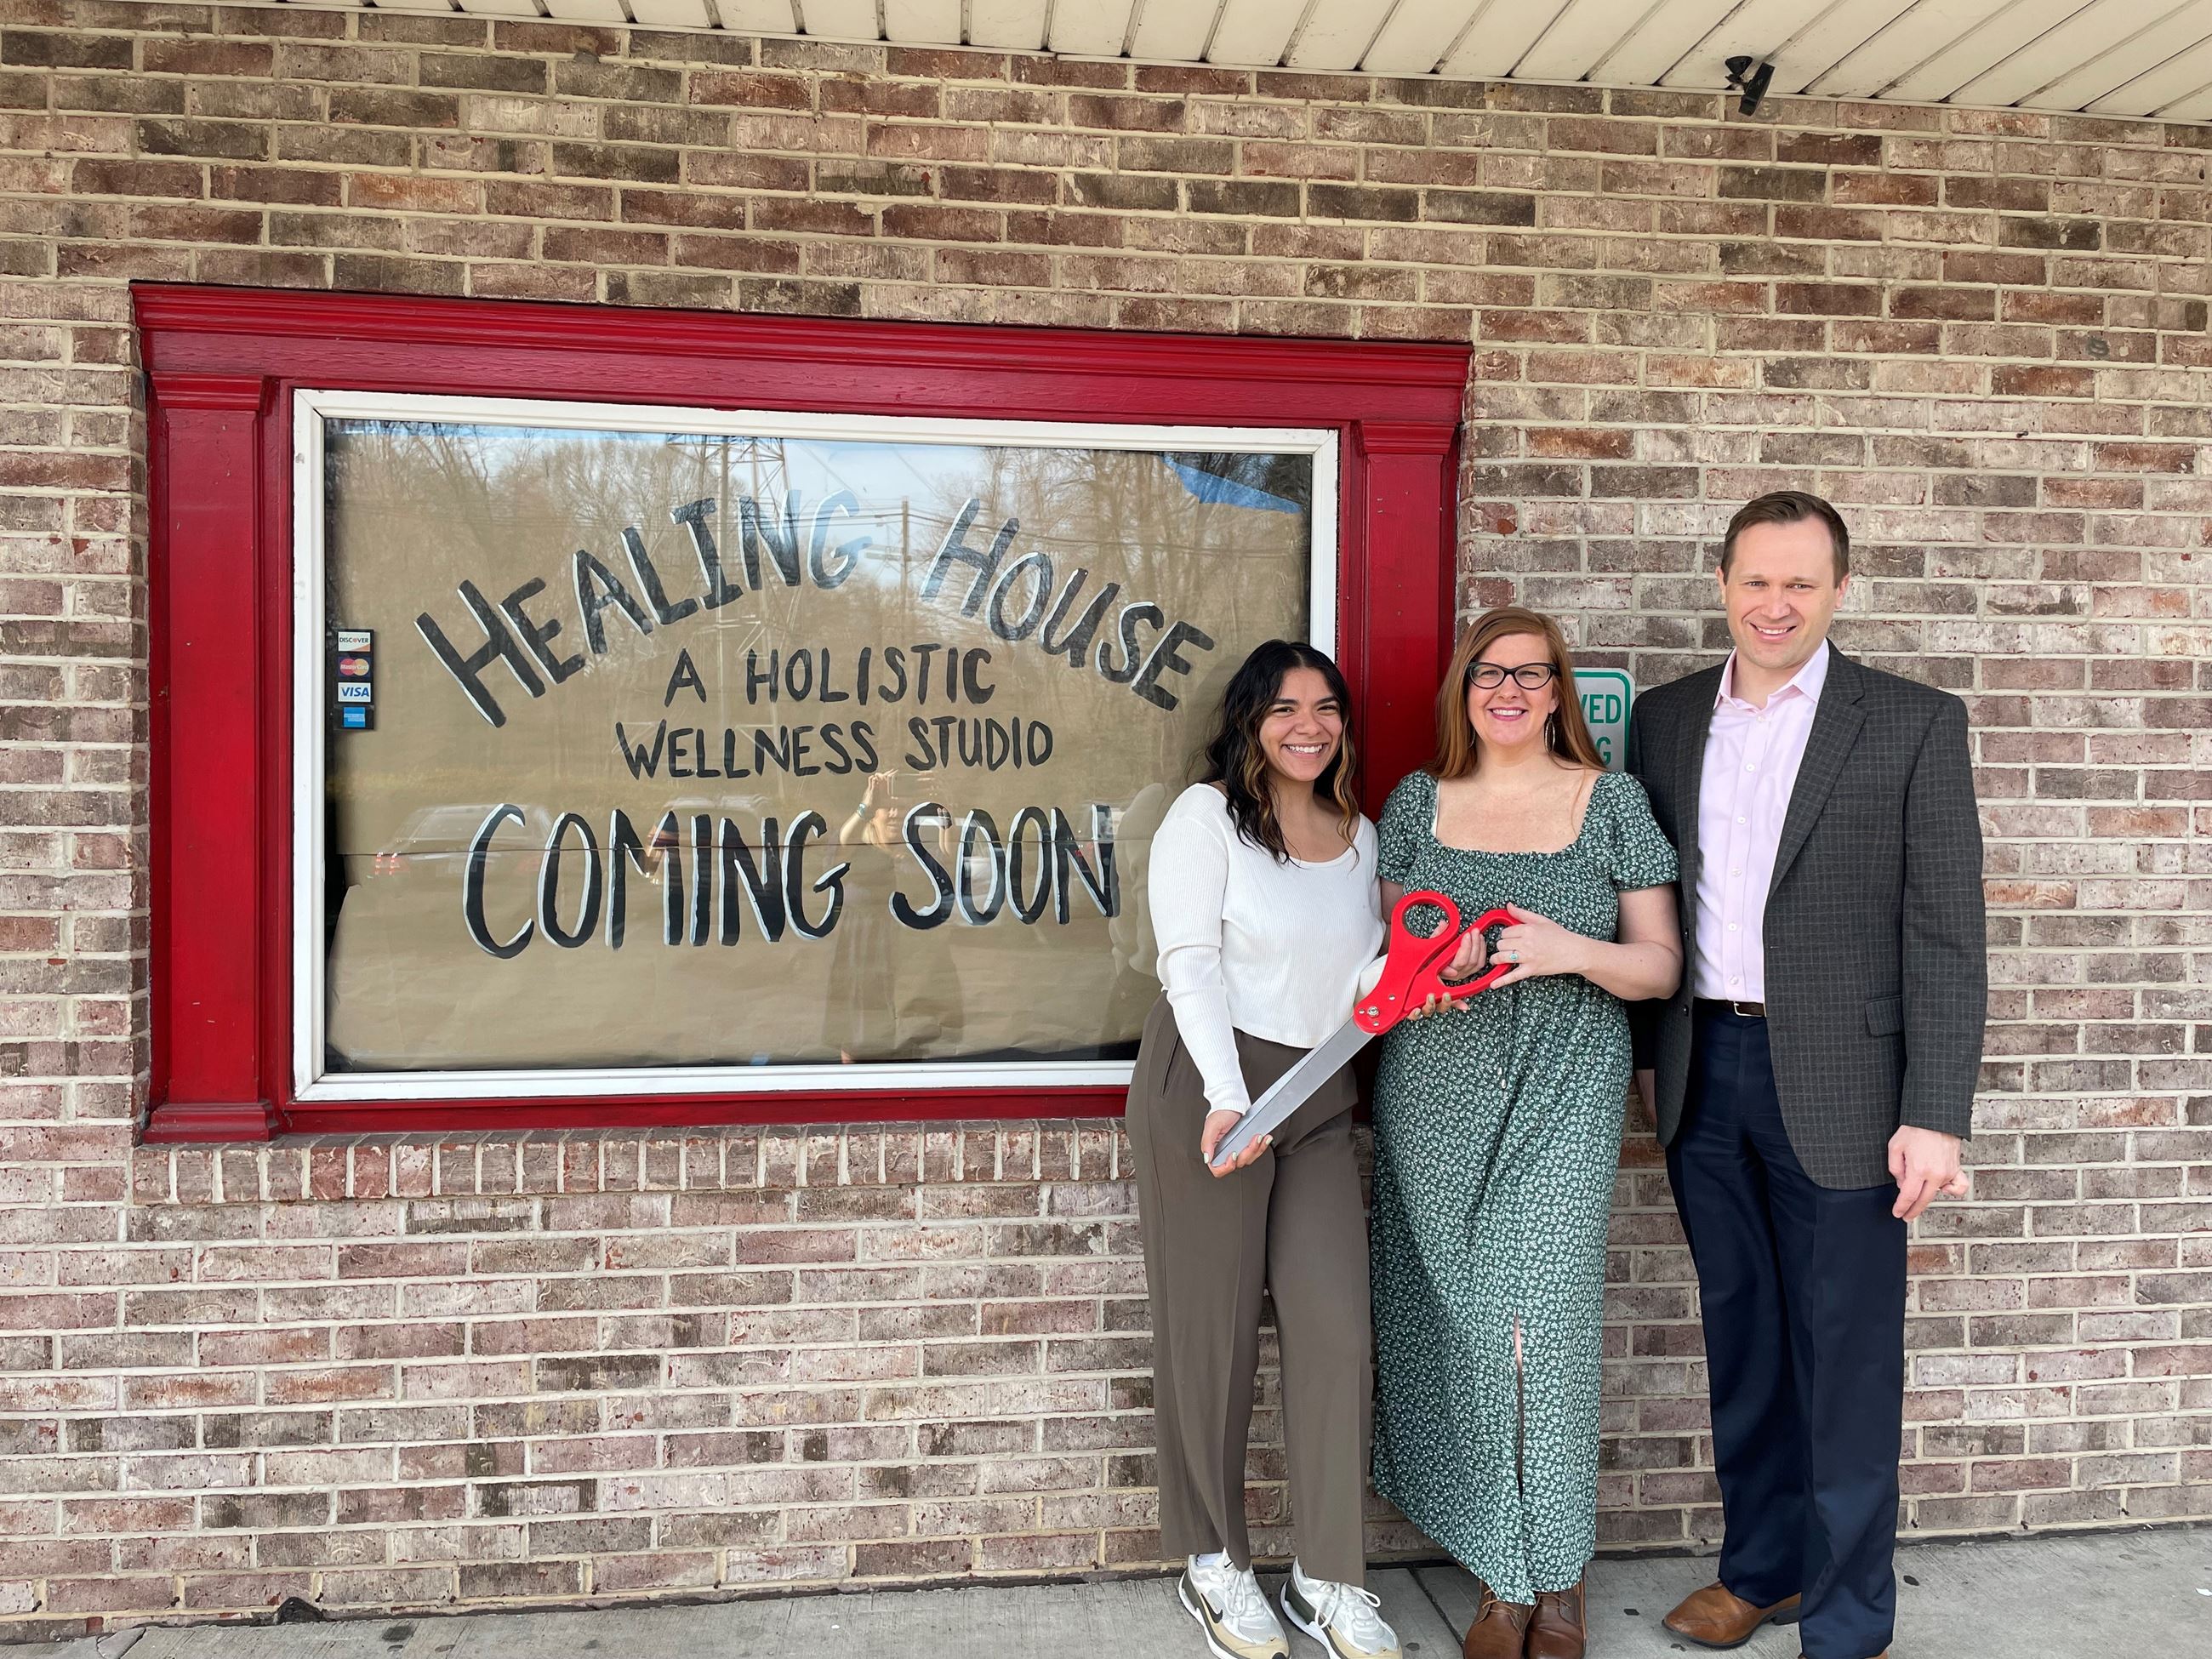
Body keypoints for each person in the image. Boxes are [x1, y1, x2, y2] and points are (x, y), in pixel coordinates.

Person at [1626, 491, 1985, 1659]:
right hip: (1703, 1070)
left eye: (1799, 582)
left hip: (1847, 1090)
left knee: (1845, 1361)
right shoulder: (1668, 720)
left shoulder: (1911, 722)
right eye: (1755, 580)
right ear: (1721, 584)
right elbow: (1645, 900)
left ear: (1839, 589)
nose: (1773, 604)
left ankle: (1847, 1617)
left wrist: (1935, 1113)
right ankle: (1762, 1569)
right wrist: (1645, 1061)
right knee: (1743, 1340)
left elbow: (1947, 933)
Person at [1368, 607, 1682, 1659]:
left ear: (1557, 693)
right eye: (1487, 674)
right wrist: (1438, 968)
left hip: (1564, 1081)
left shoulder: (1610, 802)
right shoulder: (1415, 803)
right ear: (1462, 690)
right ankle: (1501, 1575)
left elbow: (1659, 967)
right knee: (1457, 1322)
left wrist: (1565, 949)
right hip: (1437, 1083)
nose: (1507, 691)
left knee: (1538, 1329)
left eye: (1529, 674)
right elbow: (1394, 954)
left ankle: (1557, 1575)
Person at [1126, 639, 1399, 1659]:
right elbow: (1188, 963)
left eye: (1325, 707)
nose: (1306, 726)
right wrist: (1227, 1098)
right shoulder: (1205, 820)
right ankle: (1212, 1561)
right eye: (1283, 708)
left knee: (1335, 1329)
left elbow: (1355, 976)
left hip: (1318, 1095)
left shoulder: (1361, 835)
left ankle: (1326, 1576)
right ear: (1248, 719)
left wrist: (1419, 969)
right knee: (1212, 1333)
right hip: (1210, 1087)